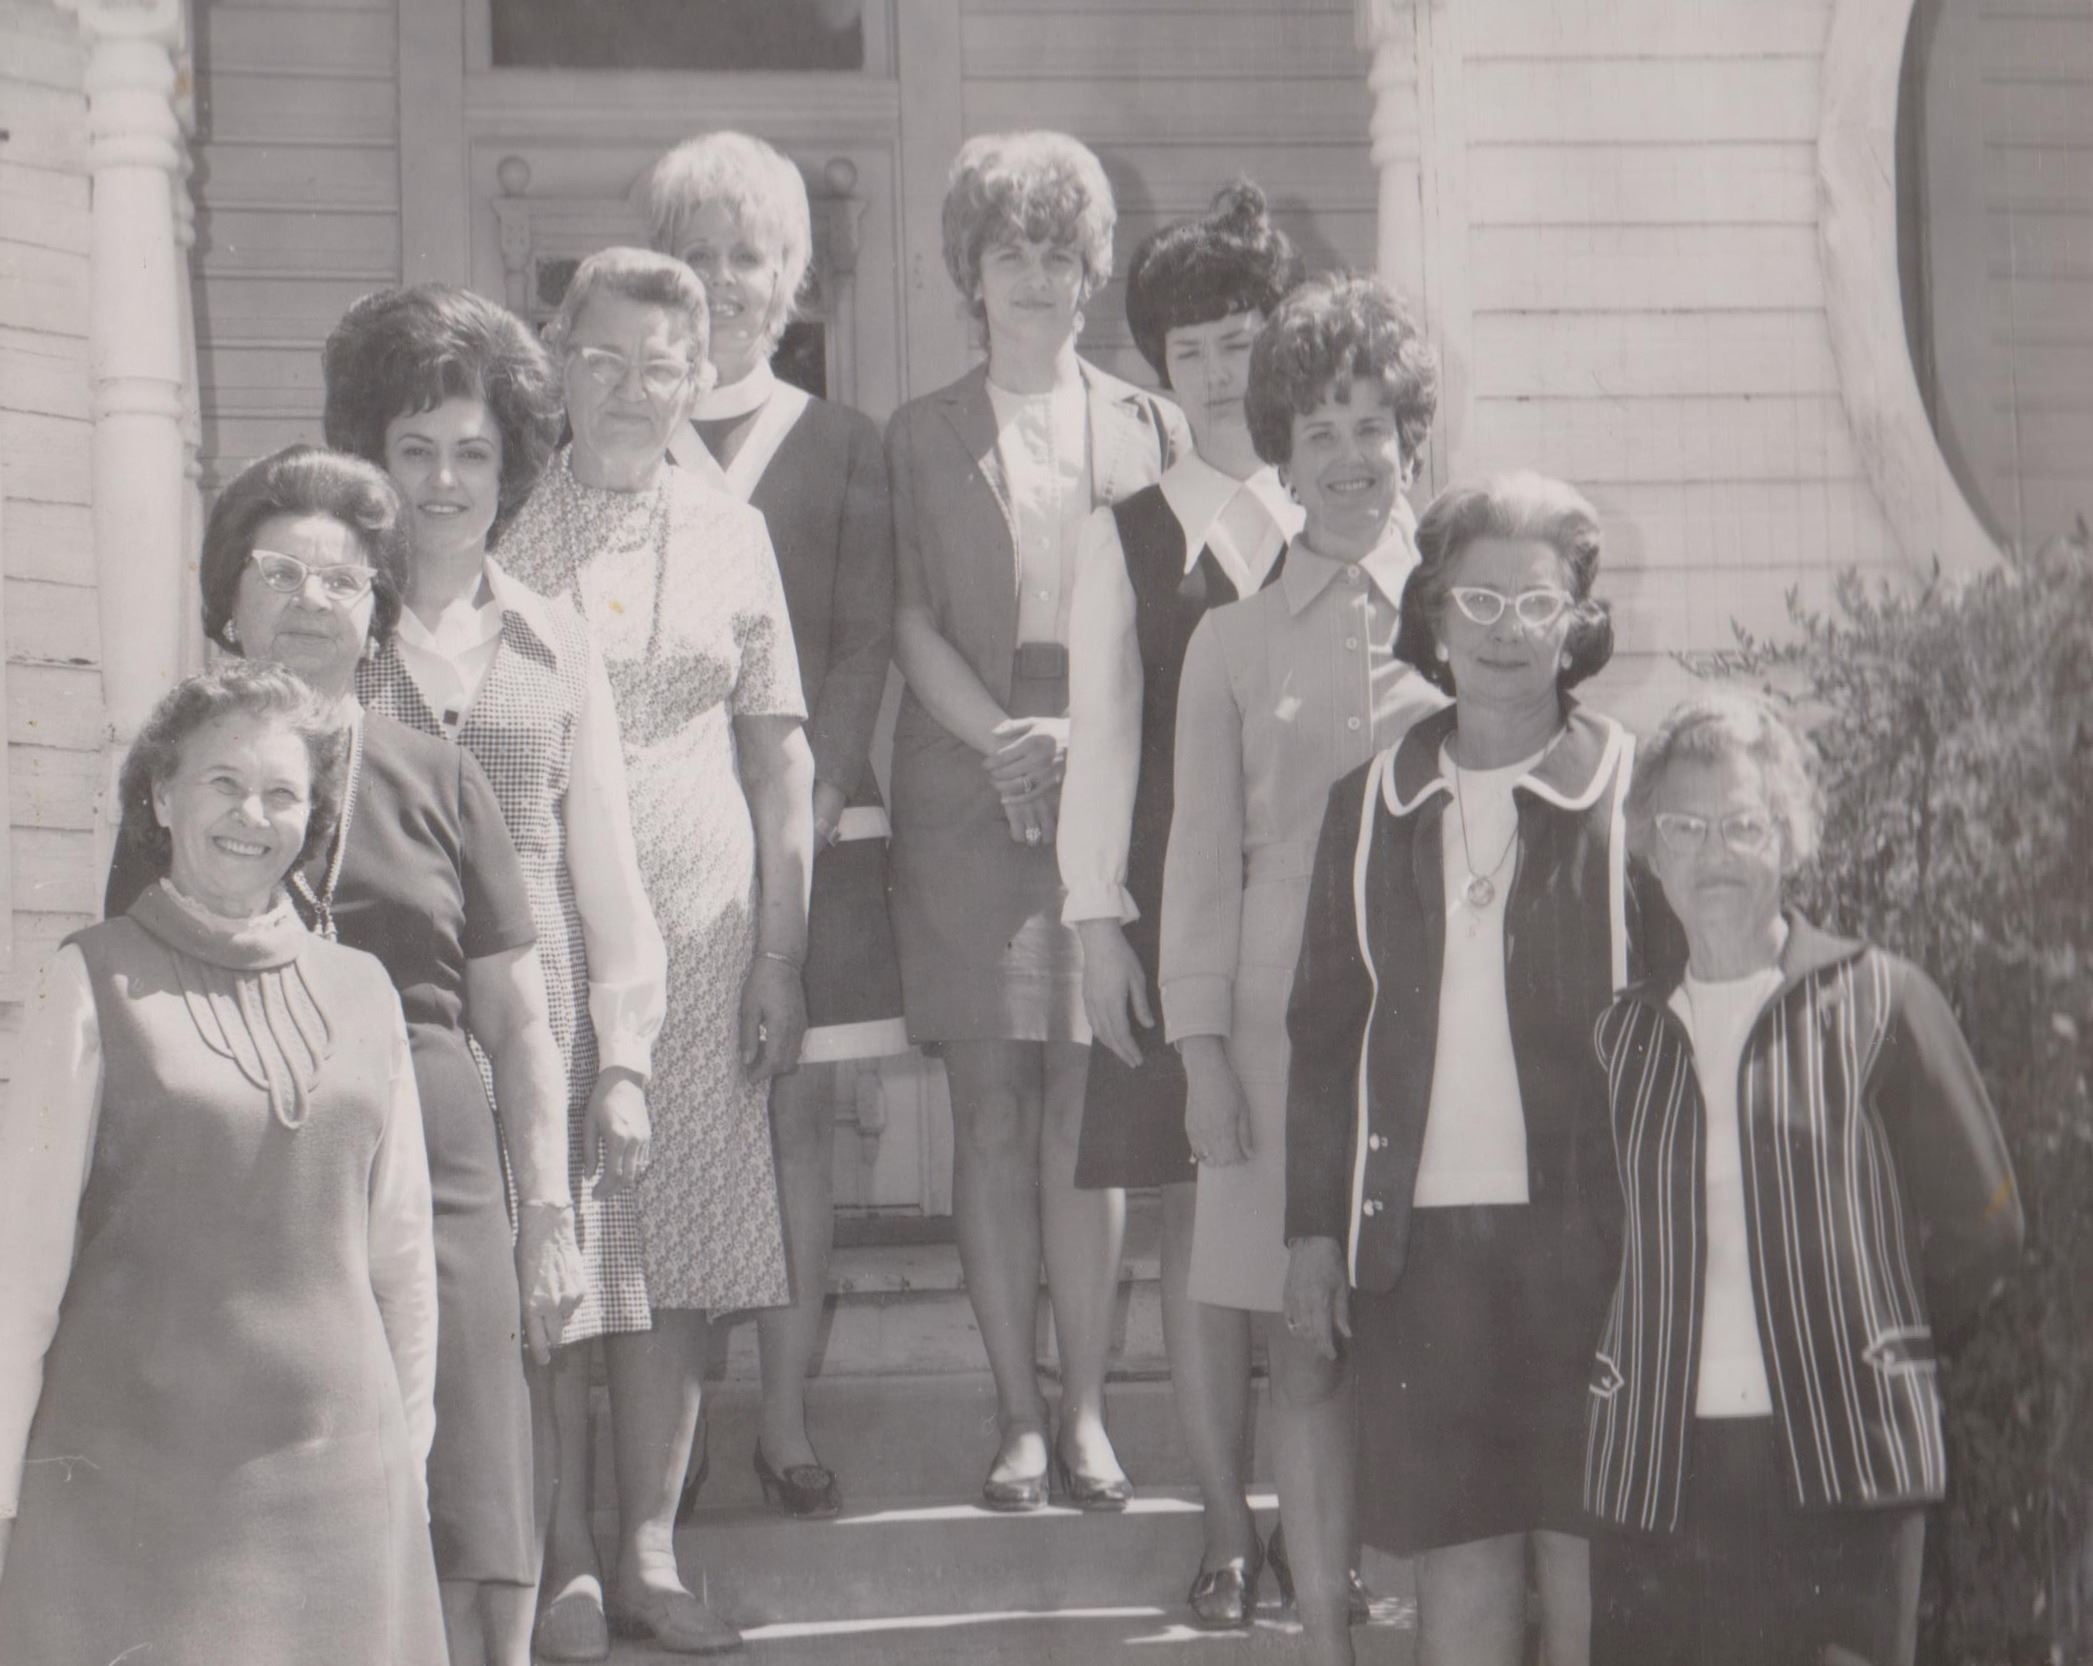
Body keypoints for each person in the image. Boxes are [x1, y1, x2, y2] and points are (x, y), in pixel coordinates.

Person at [104, 447, 586, 1666]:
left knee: (473, 1488)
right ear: (228, 604)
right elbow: (131, 1003)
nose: (316, 600)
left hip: (439, 1156)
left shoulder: (440, 776)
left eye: (345, 580)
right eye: (283, 574)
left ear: (376, 614)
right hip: (250, 1178)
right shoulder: (178, 782)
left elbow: (519, 1018)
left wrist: (545, 1214)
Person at [321, 283, 669, 1664]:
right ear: (373, 458)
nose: (445, 482)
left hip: (538, 1017)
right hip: (383, 1026)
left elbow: (606, 863)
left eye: (471, 453)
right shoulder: (336, 635)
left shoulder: (552, 637)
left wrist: (627, 1056)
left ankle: (553, 1563)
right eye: (415, 452)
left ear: (506, 464)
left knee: (548, 1298)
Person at [1281, 471, 1678, 1666]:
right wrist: (1312, 1231)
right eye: (1477, 602)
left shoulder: (1631, 794)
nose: (1505, 632)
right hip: (1422, 1246)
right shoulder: (1370, 803)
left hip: (1591, 1246)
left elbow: (1675, 1034)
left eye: (1535, 604)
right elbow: (1322, 1029)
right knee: (1458, 1562)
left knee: (1585, 1557)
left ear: (1577, 627)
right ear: (1434, 620)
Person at [0, 661, 446, 1665]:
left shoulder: (365, 989)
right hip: (137, 1490)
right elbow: (19, 1273)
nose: (253, 815)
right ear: (160, 796)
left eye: (283, 792)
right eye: (221, 783)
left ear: (313, 817)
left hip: (339, 1486)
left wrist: (404, 1467)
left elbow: (402, 1259)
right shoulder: (89, 977)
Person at [499, 245, 813, 1658]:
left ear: (703, 374)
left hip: (699, 930)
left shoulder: (731, 526)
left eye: (661, 364)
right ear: (560, 360)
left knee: (674, 1242)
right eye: (603, 359)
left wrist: (781, 957)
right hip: (537, 923)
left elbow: (782, 757)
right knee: (552, 1233)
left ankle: (647, 1550)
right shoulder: (508, 515)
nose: (631, 389)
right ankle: (560, 1553)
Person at [1583, 691, 2022, 1666]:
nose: (1711, 852)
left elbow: (1983, 1227)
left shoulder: (1880, 997)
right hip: (1659, 1467)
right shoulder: (1618, 1039)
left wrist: (1871, 1337)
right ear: (1649, 852)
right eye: (1683, 827)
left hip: (1842, 1460)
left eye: (1741, 823)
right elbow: (1586, 1249)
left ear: (1789, 840)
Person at [885, 129, 1189, 1511]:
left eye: (1057, 252)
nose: (1033, 275)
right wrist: (1000, 735)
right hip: (967, 773)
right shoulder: (920, 430)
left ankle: (1084, 1415)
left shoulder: (1148, 424)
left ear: (1090, 273)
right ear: (971, 269)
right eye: (1008, 250)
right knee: (993, 1112)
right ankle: (1012, 1414)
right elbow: (904, 617)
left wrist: (1081, 740)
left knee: (1088, 1108)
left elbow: (1167, 618)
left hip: (1106, 772)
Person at [1161, 271, 1446, 1637]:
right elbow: (1196, 869)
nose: (1348, 457)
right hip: (1279, 1041)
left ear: (1412, 444)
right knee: (1305, 1336)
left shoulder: (1466, 628)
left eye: (1372, 426)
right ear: (1282, 449)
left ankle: (1421, 1601)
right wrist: (1203, 1055)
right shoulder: (1226, 639)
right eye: (1320, 430)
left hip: (1444, 1033)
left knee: (1425, 1329)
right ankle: (1322, 1628)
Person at [641, 130, 905, 1522]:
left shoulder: (843, 442)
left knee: (794, 1122)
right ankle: (666, 1440)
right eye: (695, 252)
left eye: (750, 254)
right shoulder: (623, 441)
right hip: (663, 847)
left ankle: (786, 1416)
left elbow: (862, 644)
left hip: (811, 835)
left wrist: (810, 793)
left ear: (792, 277)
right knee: (675, 1129)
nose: (723, 279)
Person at [1056, 179, 1305, 1624]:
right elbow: (1106, 734)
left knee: (1323, 1215)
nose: (1220, 368)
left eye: (1243, 338)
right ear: (1157, 359)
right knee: (1198, 1233)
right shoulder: (1128, 530)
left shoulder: (1342, 509)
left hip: (1322, 921)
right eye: (1192, 344)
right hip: (1177, 916)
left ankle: (1326, 1520)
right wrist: (1097, 915)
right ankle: (1224, 1527)